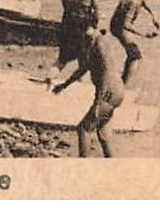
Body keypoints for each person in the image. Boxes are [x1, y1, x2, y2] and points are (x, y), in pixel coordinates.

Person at [53, 25, 129, 158]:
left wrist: (100, 100)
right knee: (103, 130)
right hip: (115, 91)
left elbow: (108, 72)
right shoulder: (90, 44)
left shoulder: (100, 43)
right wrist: (64, 85)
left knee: (84, 129)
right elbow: (82, 70)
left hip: (109, 91)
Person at [109, 0, 160, 85]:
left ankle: (121, 82)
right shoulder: (134, 1)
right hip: (118, 28)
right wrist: (144, 34)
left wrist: (153, 15)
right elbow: (126, 24)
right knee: (135, 56)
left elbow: (143, 1)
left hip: (116, 24)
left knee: (133, 54)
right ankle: (122, 86)